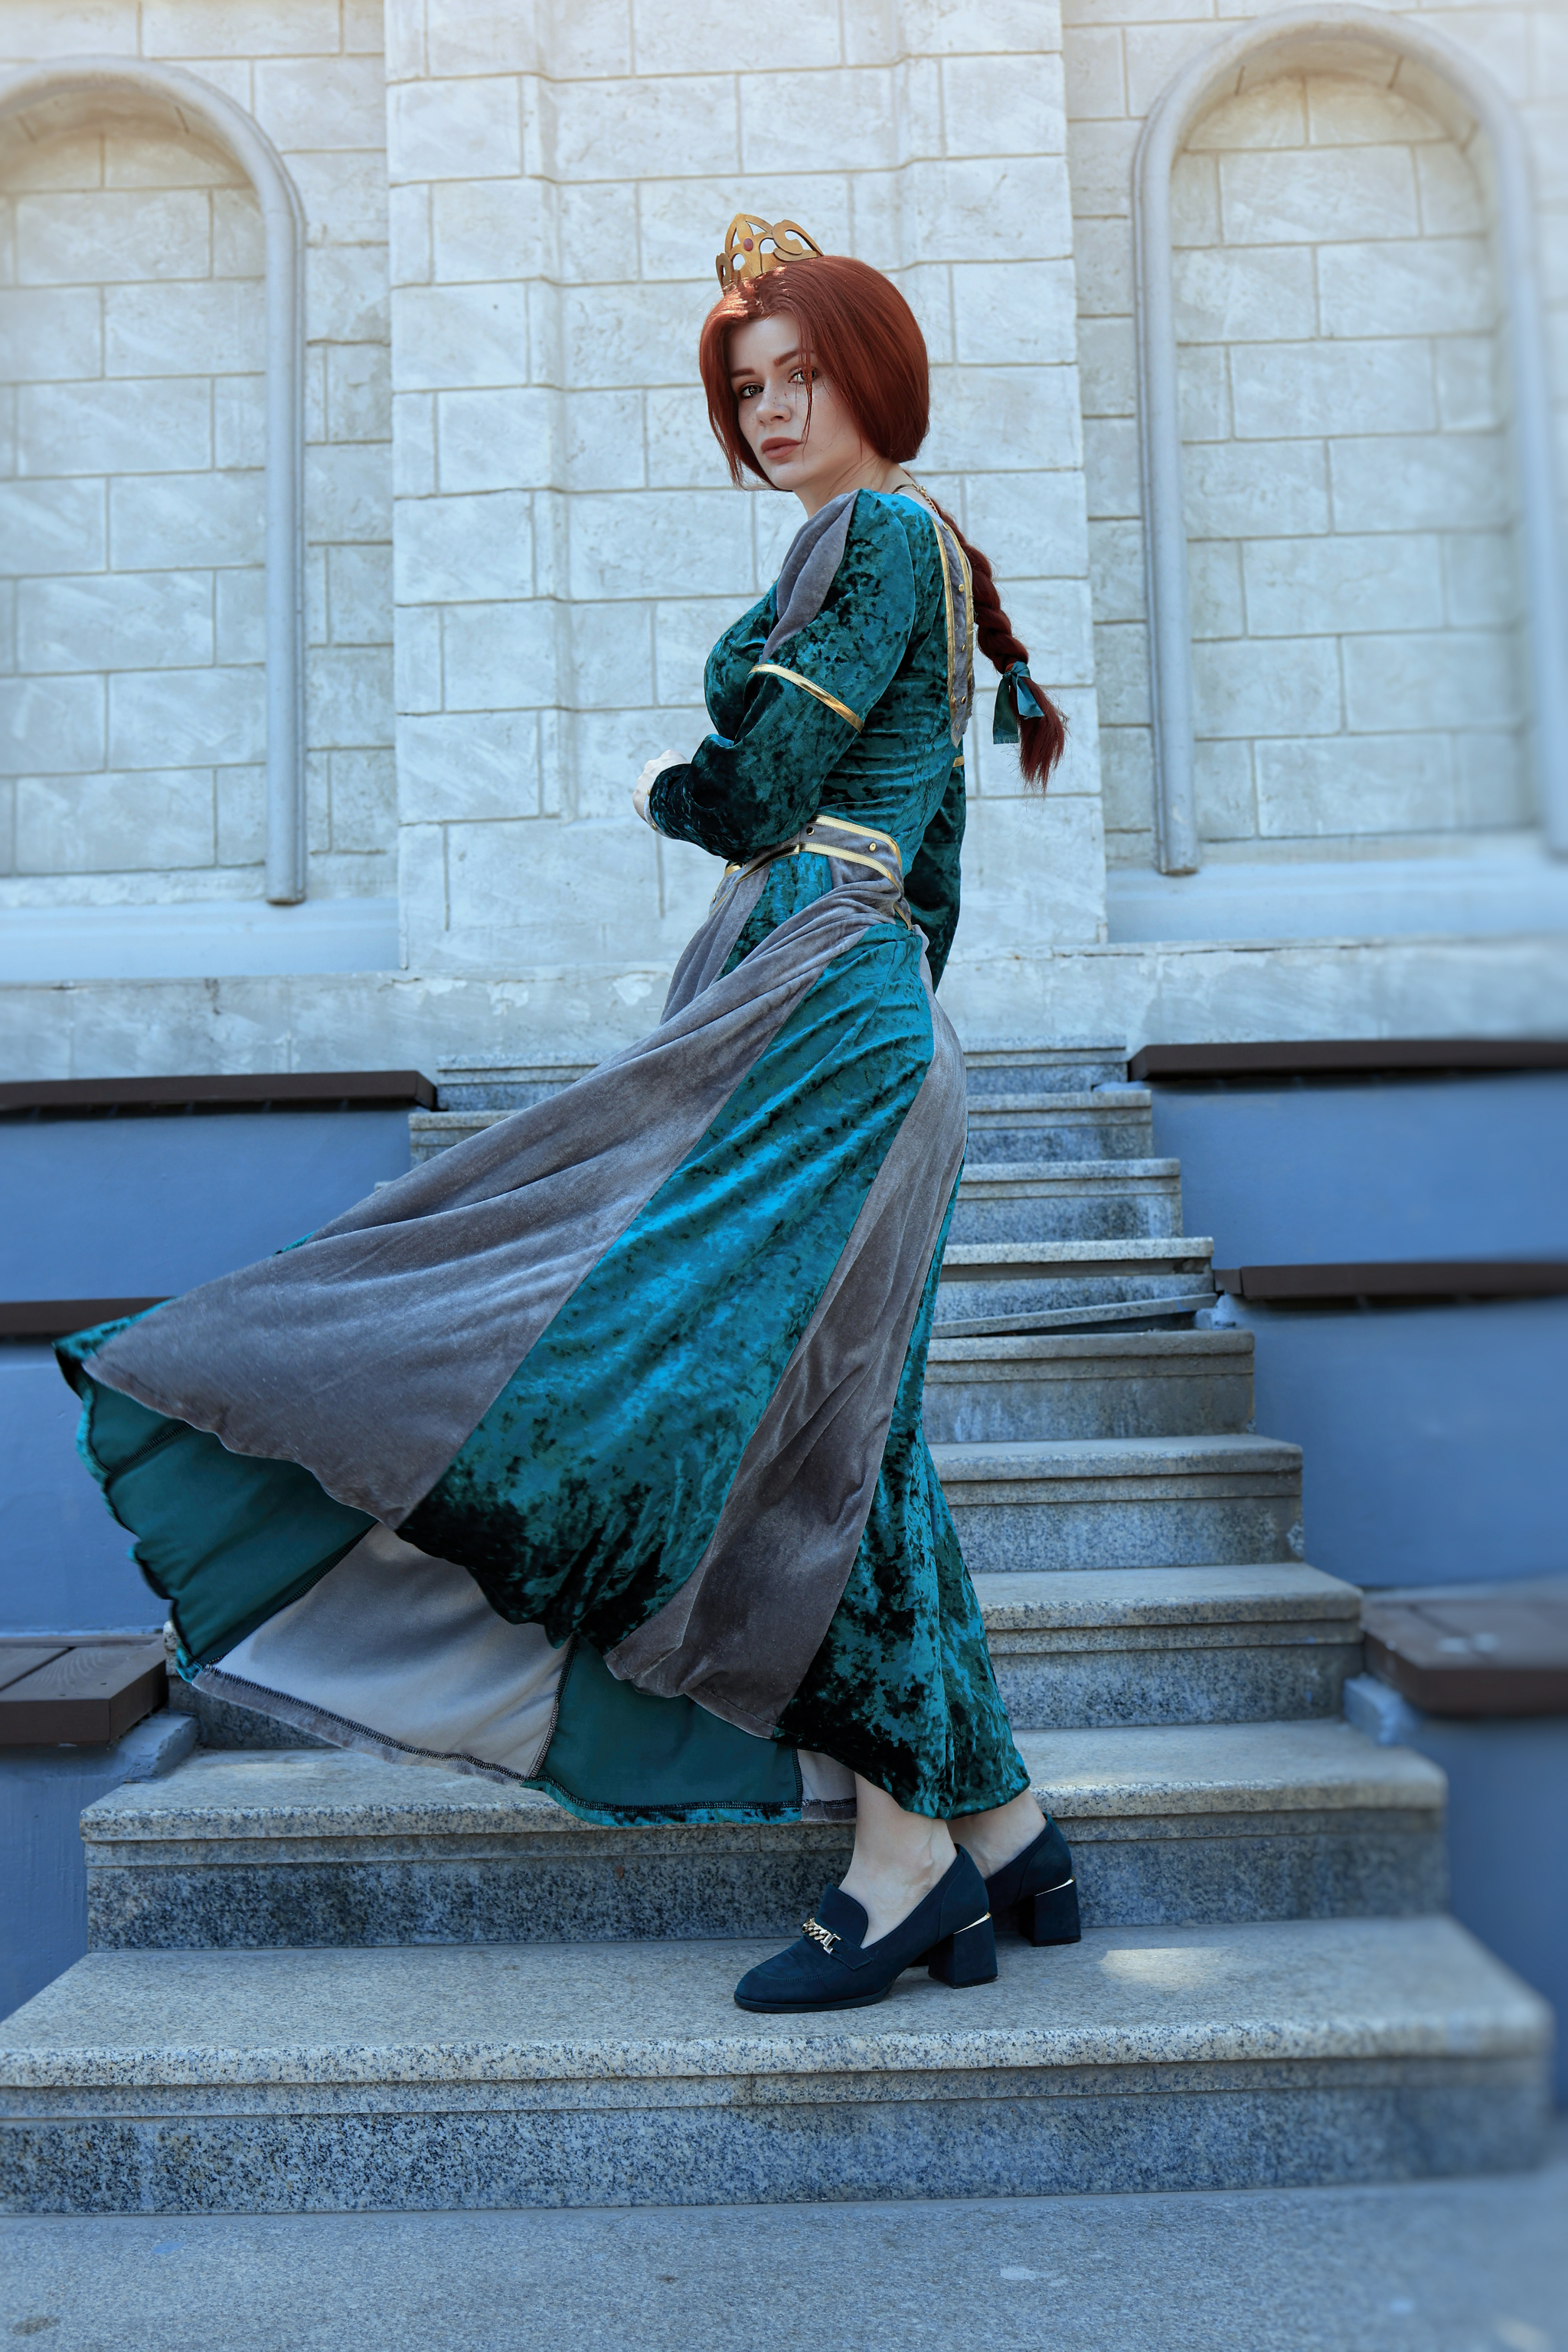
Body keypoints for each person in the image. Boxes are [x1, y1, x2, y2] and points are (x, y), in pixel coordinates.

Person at [55, 220, 1079, 2017]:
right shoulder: (914, 549)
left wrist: (675, 792)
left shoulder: (875, 534)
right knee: (845, 1429)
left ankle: (904, 1861)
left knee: (768, 1425)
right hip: (846, 1013)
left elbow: (755, 789)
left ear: (875, 375)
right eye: (745, 390)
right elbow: (924, 875)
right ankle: (1000, 1830)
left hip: (823, 1026)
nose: (771, 413)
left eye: (800, 376)